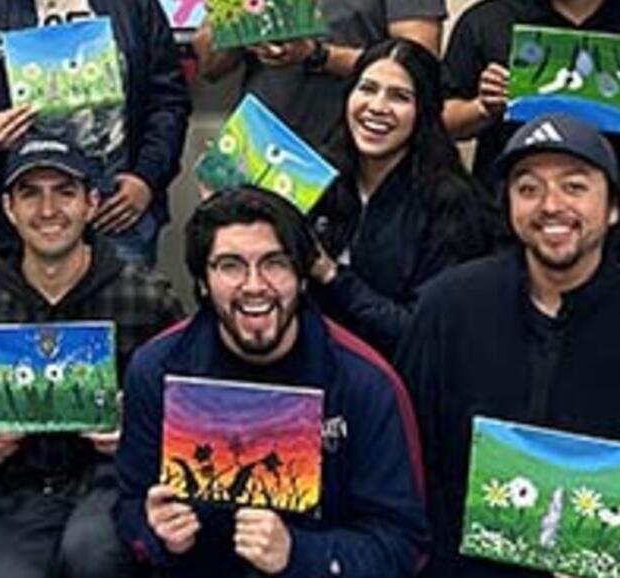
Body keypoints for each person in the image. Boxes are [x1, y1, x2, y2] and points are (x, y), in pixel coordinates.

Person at [395, 113, 620, 577]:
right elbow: (405, 457)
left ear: (612, 207)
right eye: (528, 189)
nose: (551, 205)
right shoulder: (446, 309)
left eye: (574, 186)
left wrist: (610, 561)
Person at [112, 188, 427, 577]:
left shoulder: (366, 382)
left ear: (302, 276)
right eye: (230, 266)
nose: (255, 285)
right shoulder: (156, 369)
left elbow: (402, 544)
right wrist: (155, 532)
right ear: (203, 284)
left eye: (275, 264)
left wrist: (300, 553)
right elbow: (128, 502)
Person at [0, 139, 184, 578]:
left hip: (115, 481)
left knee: (93, 555)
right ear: (8, 208)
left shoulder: (147, 297)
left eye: (64, 192)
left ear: (92, 203)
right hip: (20, 489)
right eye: (29, 193)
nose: (47, 209)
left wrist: (133, 432)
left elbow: (184, 408)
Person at [443, 0, 620, 277]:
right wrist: (482, 107)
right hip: (500, 233)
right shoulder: (486, 21)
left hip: (618, 240)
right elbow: (439, 121)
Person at [0, 0, 191, 268]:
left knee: (125, 306)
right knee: (7, 309)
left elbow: (168, 103)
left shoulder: (137, 7)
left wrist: (146, 178)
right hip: (13, 222)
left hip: (116, 211)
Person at [310, 38, 502, 353]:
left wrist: (330, 275)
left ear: (423, 112)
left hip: (398, 380)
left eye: (399, 97)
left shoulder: (453, 204)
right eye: (367, 89)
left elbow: (422, 331)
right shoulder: (314, 175)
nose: (377, 107)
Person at [190, 0, 444, 149]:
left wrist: (319, 55)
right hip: (260, 146)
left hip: (356, 150)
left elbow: (419, 64)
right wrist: (239, 19)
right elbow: (210, 67)